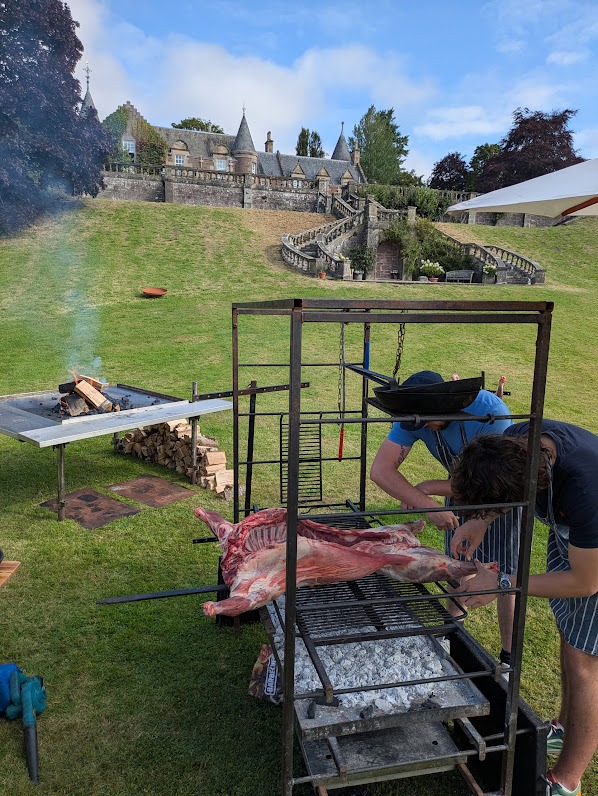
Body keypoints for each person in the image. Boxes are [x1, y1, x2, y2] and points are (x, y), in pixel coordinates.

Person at [450, 420, 598, 796]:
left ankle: (564, 784)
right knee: (570, 637)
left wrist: (503, 582)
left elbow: (586, 583)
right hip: (576, 539)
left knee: (586, 664)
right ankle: (562, 728)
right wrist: (478, 520)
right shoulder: (515, 444)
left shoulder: (584, 487)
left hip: (591, 555)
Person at [370, 370, 520, 667]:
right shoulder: (416, 415)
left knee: (506, 576)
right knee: (454, 565)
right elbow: (381, 470)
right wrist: (424, 501)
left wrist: (425, 490)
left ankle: (508, 657)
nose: (423, 426)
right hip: (461, 490)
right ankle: (451, 632)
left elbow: (496, 482)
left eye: (427, 419)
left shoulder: (491, 413)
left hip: (500, 497)